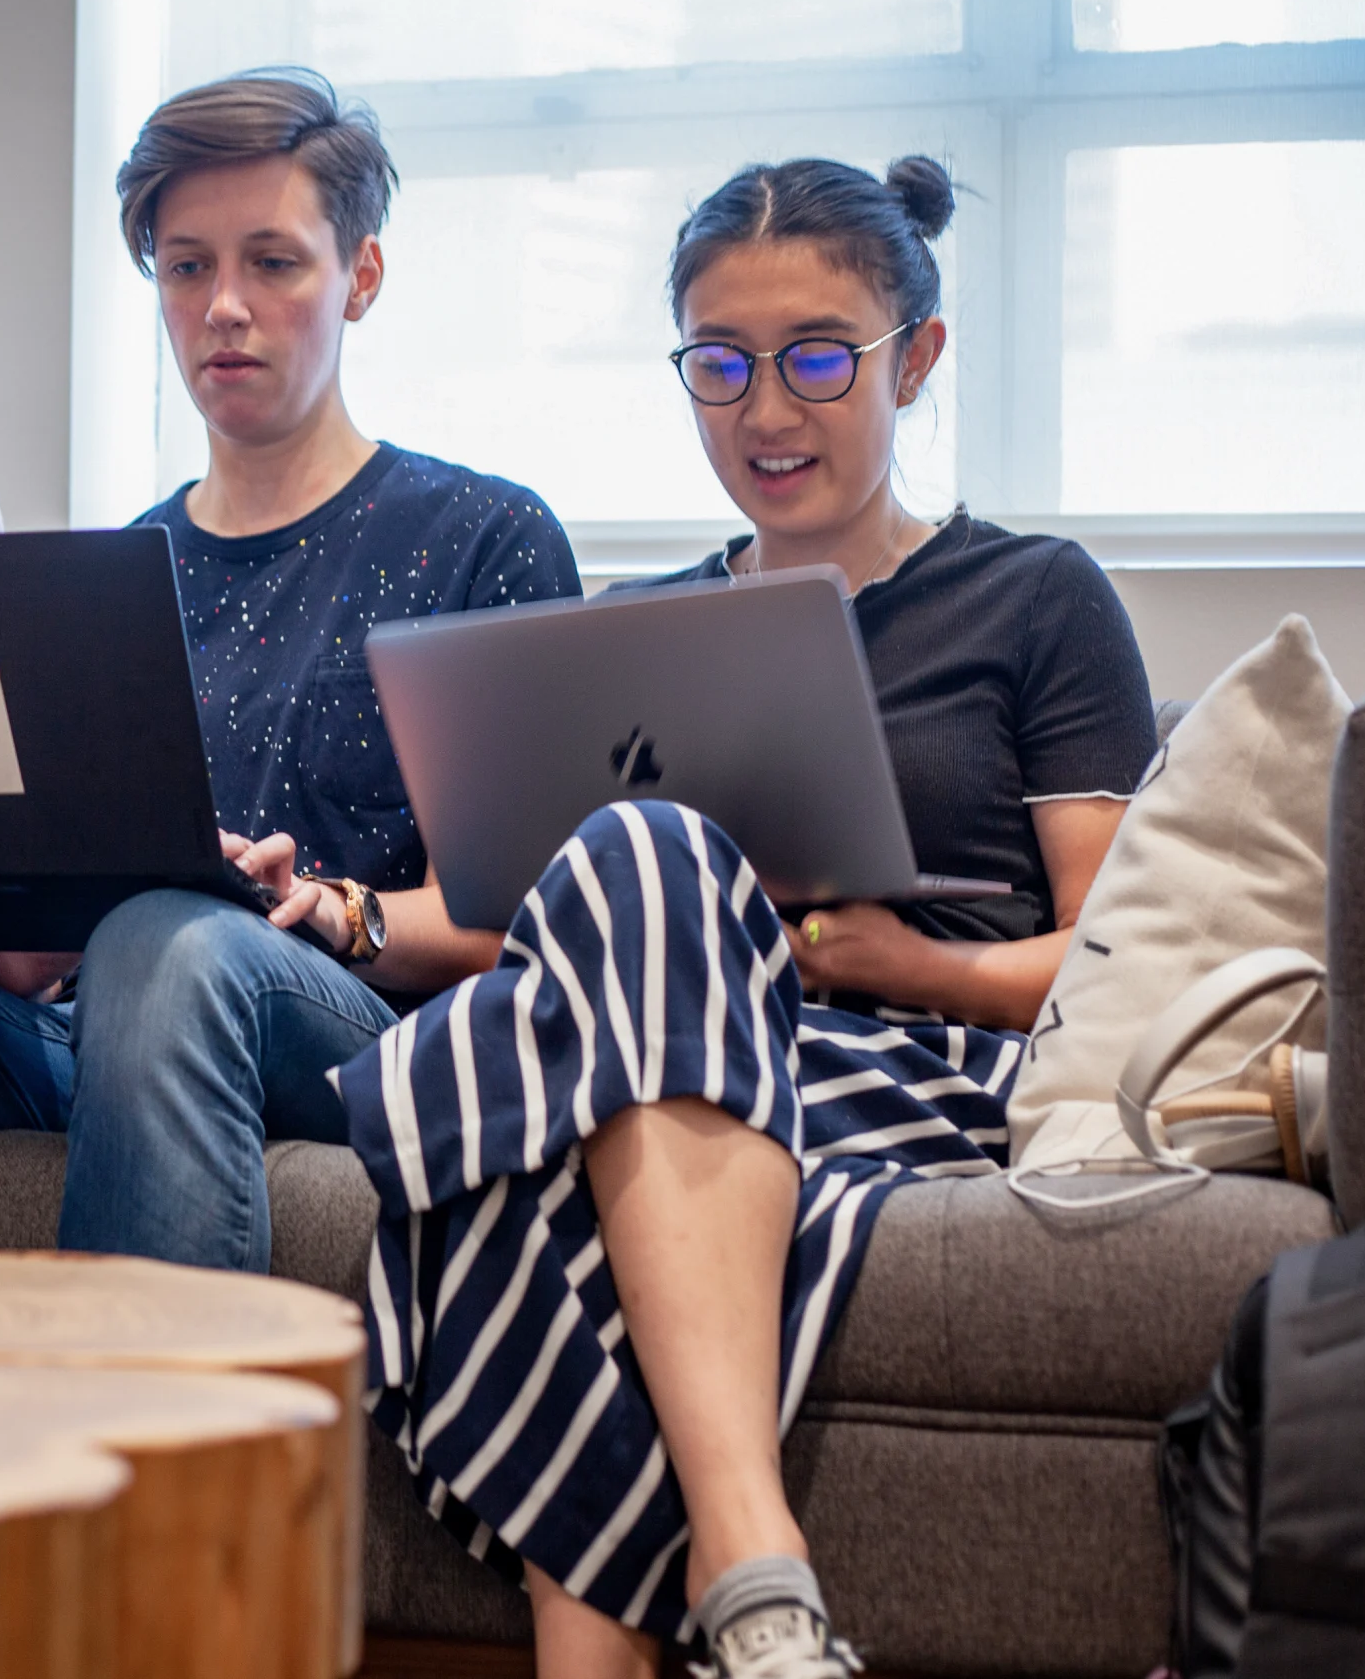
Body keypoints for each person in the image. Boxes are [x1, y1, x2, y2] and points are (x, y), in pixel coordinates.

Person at [338, 157, 1156, 1679]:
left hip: (906, 1055)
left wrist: (918, 961)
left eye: (815, 358)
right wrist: (328, 913)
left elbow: (1115, 954)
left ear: (913, 355)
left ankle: (682, 1600)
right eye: (718, 365)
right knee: (623, 894)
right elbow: (521, 910)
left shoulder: (1035, 599)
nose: (765, 411)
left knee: (531, 1123)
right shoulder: (639, 627)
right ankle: (751, 1589)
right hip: (667, 1035)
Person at [0, 68, 580, 1267]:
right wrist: (5, 880)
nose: (225, 307)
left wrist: (335, 911)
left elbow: (540, 922)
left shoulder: (484, 538)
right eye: (188, 266)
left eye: (274, 262)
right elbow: (21, 965)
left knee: (169, 937)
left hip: (364, 1024)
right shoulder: (97, 585)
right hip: (99, 1025)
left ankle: (137, 1445)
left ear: (361, 275)